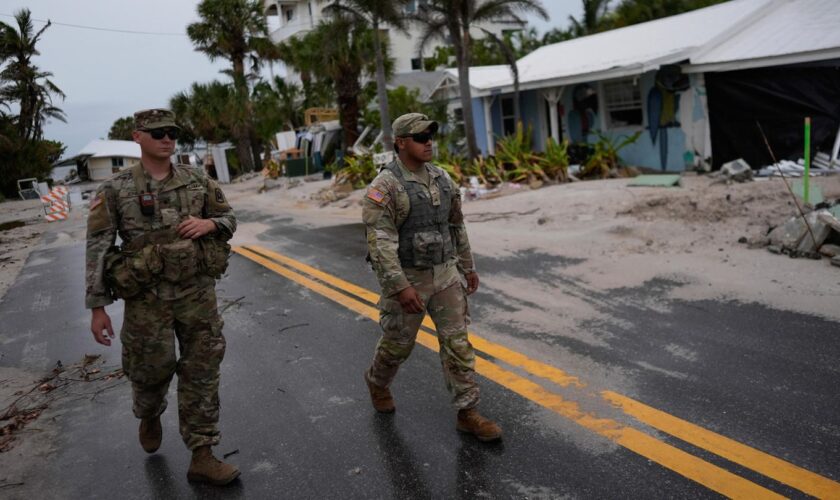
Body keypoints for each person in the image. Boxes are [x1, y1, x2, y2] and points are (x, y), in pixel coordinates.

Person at [85, 109, 239, 485]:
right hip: (146, 299)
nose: (166, 139)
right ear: (138, 137)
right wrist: (97, 308)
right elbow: (98, 248)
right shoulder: (116, 189)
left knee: (202, 370)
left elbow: (229, 219)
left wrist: (210, 224)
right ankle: (149, 413)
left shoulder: (197, 179)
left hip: (196, 293)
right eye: (157, 133)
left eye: (171, 132)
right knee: (150, 372)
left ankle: (202, 454)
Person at [362, 113, 501, 442]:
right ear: (400, 143)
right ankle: (377, 382)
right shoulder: (385, 187)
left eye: (430, 136)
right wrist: (400, 287)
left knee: (458, 345)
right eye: (420, 137)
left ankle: (467, 412)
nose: (429, 142)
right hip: (408, 279)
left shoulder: (442, 178)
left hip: (445, 276)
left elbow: (455, 225)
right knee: (397, 346)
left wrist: (468, 266)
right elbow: (380, 243)